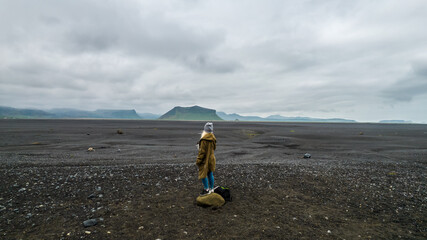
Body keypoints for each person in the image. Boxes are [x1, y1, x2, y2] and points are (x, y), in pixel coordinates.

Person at [196, 122, 217, 195]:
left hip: (205, 160)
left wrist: (198, 161)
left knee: (203, 174)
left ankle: (206, 189)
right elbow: (214, 148)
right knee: (210, 174)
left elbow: (202, 152)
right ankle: (211, 189)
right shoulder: (213, 138)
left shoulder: (204, 140)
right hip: (211, 159)